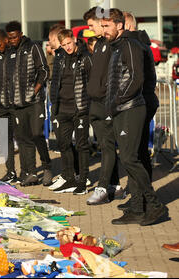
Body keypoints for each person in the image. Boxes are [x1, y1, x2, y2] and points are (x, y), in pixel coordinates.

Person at [102, 8, 167, 226]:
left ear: (120, 26)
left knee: (131, 158)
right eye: (102, 26)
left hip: (131, 107)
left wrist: (118, 101)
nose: (103, 31)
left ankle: (154, 205)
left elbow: (136, 79)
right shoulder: (117, 46)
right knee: (130, 157)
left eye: (106, 26)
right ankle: (137, 208)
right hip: (121, 108)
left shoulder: (129, 44)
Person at [115, 12, 161, 213]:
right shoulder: (136, 43)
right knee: (137, 153)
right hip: (140, 101)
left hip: (142, 102)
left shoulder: (137, 44)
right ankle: (137, 197)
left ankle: (143, 199)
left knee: (137, 155)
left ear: (126, 26)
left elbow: (137, 78)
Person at [83, 7, 125, 206]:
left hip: (107, 104)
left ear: (102, 22)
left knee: (108, 147)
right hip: (95, 103)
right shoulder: (98, 44)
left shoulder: (113, 44)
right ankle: (115, 186)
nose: (90, 30)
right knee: (104, 146)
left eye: (92, 25)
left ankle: (102, 187)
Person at [2, 20, 52, 187]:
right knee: (23, 139)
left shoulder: (33, 47)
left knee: (37, 134)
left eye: (15, 37)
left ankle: (47, 167)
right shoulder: (9, 52)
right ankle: (30, 172)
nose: (12, 40)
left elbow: (44, 71)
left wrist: (35, 90)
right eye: (9, 38)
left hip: (35, 102)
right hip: (17, 104)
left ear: (20, 35)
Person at [49, 29, 93, 195]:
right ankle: (69, 178)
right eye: (64, 44)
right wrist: (54, 103)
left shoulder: (85, 57)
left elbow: (92, 82)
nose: (67, 47)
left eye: (69, 43)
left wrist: (88, 104)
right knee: (63, 144)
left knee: (82, 146)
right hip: (62, 109)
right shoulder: (59, 57)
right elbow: (55, 82)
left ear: (74, 40)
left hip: (80, 109)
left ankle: (82, 180)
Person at [0, 28, 18, 182]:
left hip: (15, 104)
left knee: (22, 137)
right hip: (1, 104)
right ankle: (11, 171)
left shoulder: (15, 53)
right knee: (5, 139)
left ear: (6, 40)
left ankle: (28, 171)